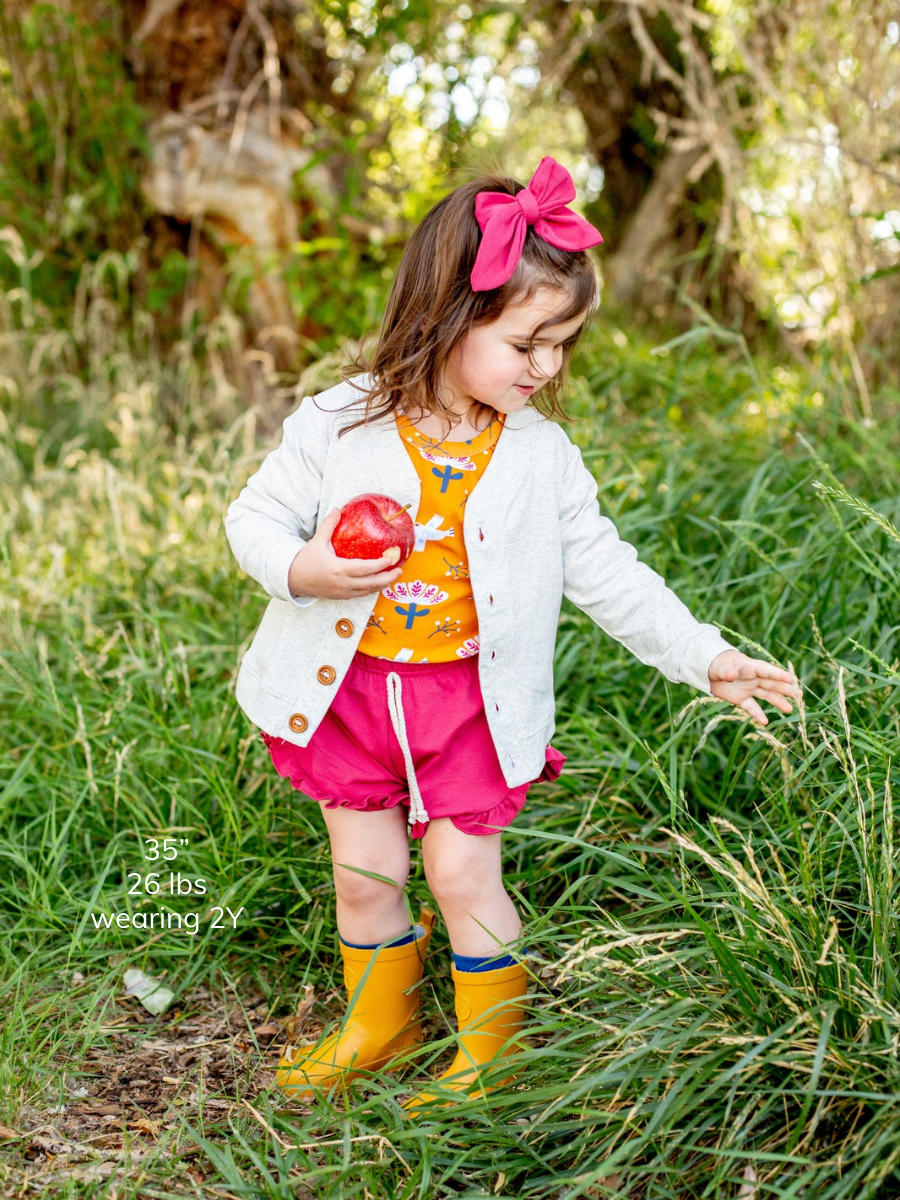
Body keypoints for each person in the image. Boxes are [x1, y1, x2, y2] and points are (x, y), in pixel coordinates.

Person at [225, 156, 800, 1110]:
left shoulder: (541, 458)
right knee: (365, 873)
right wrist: (305, 570)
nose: (549, 367)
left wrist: (707, 654)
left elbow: (608, 572)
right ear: (448, 318)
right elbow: (253, 517)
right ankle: (383, 1022)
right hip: (350, 693)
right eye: (529, 342)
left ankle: (493, 1048)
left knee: (458, 871)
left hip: (467, 705)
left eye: (564, 344)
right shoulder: (337, 425)